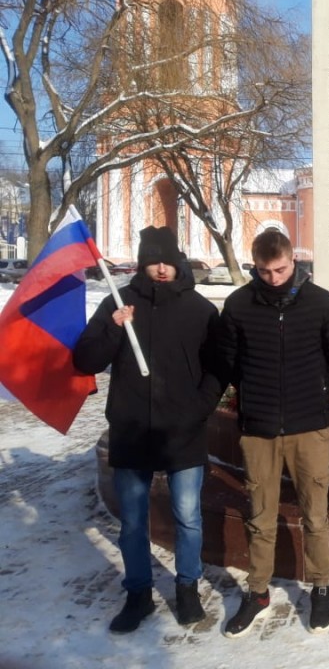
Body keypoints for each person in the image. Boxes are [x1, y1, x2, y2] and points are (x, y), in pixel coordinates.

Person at [73, 226, 223, 633]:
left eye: (167, 261)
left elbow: (219, 367)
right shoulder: (118, 302)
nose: (160, 268)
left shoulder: (200, 310)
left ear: (177, 262)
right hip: (132, 428)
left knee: (187, 517)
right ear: (142, 264)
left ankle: (187, 589)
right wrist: (113, 327)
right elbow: (85, 360)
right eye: (153, 261)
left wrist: (199, 408)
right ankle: (138, 593)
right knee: (134, 521)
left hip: (183, 431)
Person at [218, 229, 329, 637]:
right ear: (254, 266)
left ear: (294, 261)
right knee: (260, 516)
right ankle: (258, 591)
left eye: (280, 269)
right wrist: (254, 394)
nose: (274, 278)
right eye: (264, 271)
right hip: (259, 429)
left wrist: (315, 393)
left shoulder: (321, 302)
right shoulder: (239, 305)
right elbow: (228, 359)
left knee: (315, 514)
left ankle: (321, 587)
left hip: (309, 427)